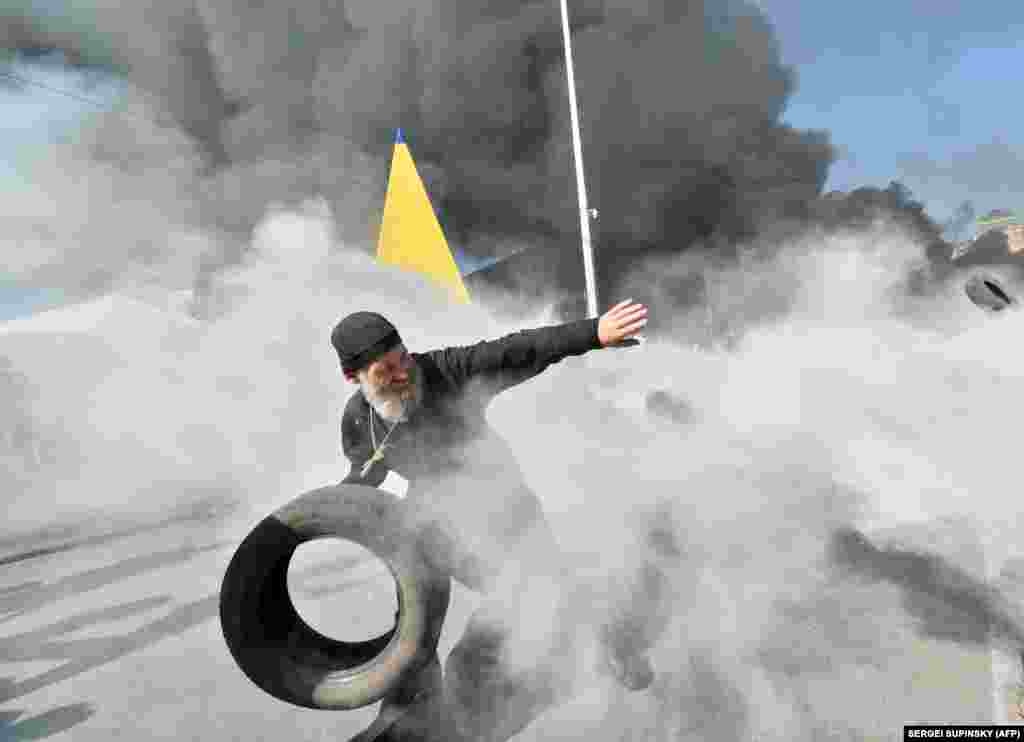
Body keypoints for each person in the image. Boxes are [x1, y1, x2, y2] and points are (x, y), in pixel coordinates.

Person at [332, 301, 654, 742]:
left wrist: (594, 332)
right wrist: (340, 500)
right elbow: (365, 471)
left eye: (403, 358)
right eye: (386, 372)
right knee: (413, 609)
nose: (403, 374)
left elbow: (517, 350)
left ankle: (616, 643)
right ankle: (408, 707)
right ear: (355, 379)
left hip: (506, 508)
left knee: (549, 593)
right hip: (436, 519)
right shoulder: (357, 420)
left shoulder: (445, 372)